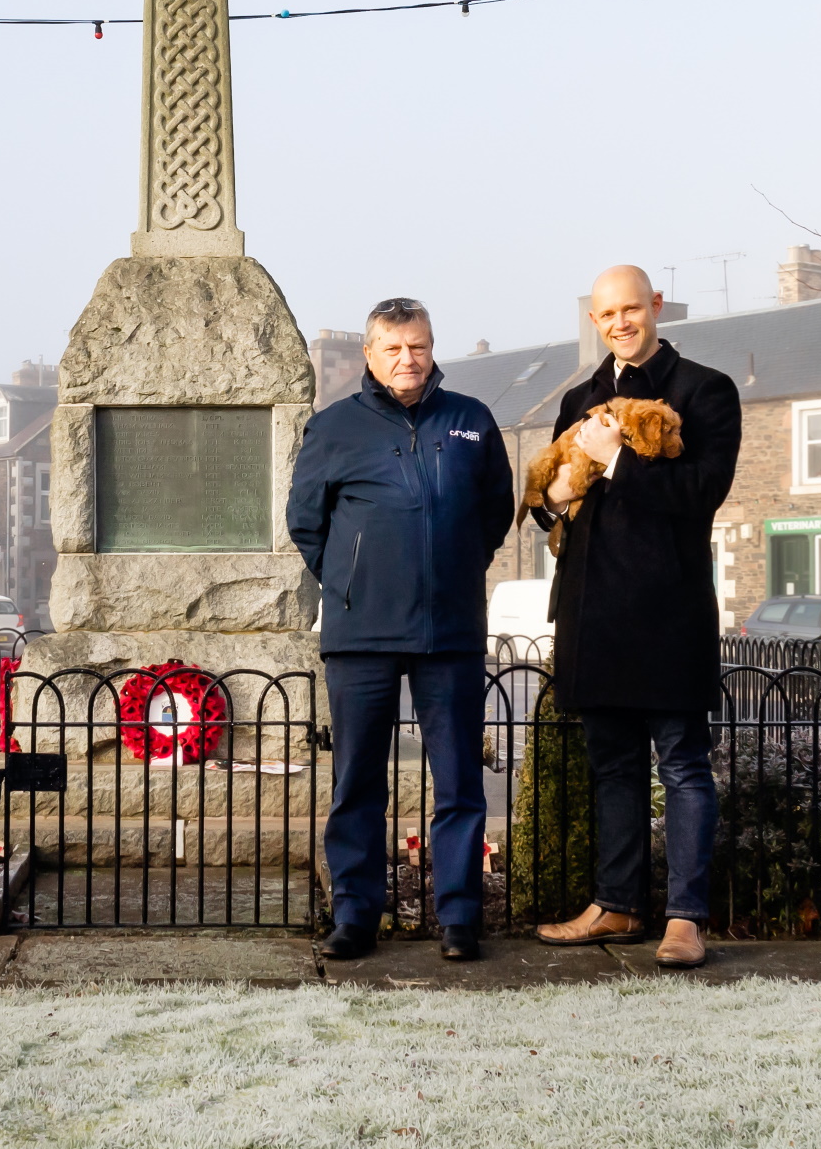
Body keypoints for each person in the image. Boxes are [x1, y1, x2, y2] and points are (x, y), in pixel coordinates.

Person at [286, 297, 513, 963]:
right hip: (361, 635)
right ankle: (355, 916)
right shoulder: (333, 428)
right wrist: (352, 579)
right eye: (394, 348)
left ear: (432, 346)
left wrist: (459, 562)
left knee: (459, 782)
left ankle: (460, 918)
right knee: (357, 781)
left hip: (453, 633)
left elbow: (496, 511)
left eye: (418, 346)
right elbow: (306, 522)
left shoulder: (470, 420)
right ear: (370, 354)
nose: (408, 359)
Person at [532, 265, 741, 968]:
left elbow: (703, 491)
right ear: (595, 321)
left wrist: (618, 459)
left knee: (683, 765)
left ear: (655, 306)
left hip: (669, 609)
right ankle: (616, 905)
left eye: (632, 307)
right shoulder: (578, 397)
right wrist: (555, 496)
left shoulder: (706, 389)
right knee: (613, 766)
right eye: (607, 313)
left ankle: (686, 919)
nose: (621, 321)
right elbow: (548, 502)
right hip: (594, 610)